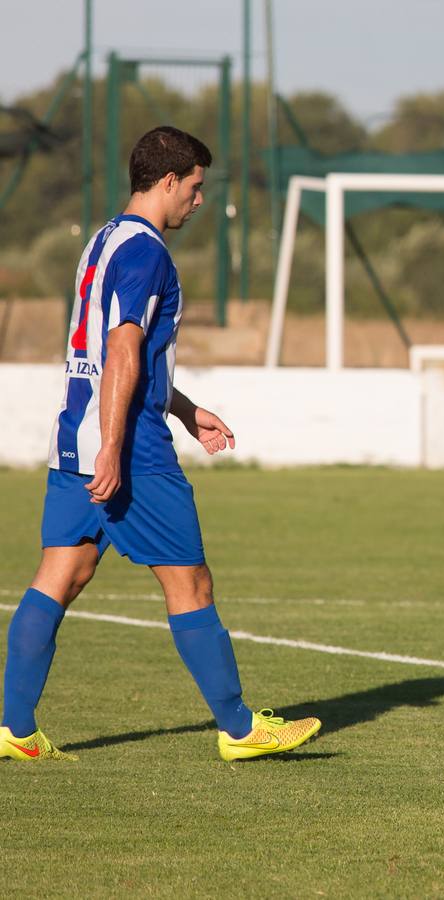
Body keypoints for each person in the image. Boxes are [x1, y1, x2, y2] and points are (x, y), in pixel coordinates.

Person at [2, 126, 320, 763]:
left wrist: (185, 408)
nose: (199, 201)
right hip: (127, 446)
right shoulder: (147, 252)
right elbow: (122, 346)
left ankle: (13, 726)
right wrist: (118, 446)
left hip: (75, 433)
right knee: (191, 584)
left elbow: (126, 356)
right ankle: (239, 729)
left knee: (62, 572)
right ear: (168, 179)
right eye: (196, 187)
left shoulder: (103, 240)